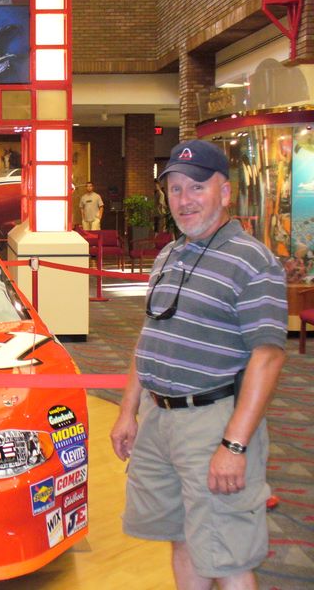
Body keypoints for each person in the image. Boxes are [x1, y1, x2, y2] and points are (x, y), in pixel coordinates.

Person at [110, 140, 287, 589]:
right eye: (174, 189)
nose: (183, 200)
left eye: (196, 187)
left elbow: (267, 358)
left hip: (214, 423)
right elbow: (151, 335)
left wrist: (234, 446)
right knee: (181, 536)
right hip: (158, 418)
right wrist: (129, 410)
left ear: (225, 193)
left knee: (226, 554)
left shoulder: (253, 261)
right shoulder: (171, 255)